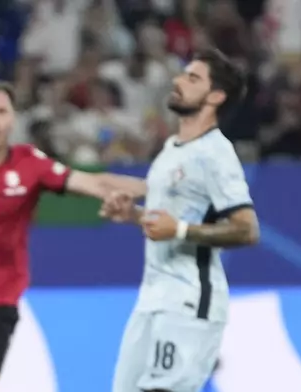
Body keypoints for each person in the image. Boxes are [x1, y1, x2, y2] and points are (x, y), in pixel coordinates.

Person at [0, 80, 145, 392]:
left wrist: (158, 186)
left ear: (13, 120)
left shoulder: (30, 162)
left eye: (1, 111)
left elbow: (94, 183)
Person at [100, 48, 260, 392]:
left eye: (192, 78)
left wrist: (181, 230)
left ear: (215, 96)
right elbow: (170, 221)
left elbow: (247, 229)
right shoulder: (172, 148)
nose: (177, 80)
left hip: (189, 302)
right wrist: (134, 215)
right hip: (152, 300)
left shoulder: (216, 153)